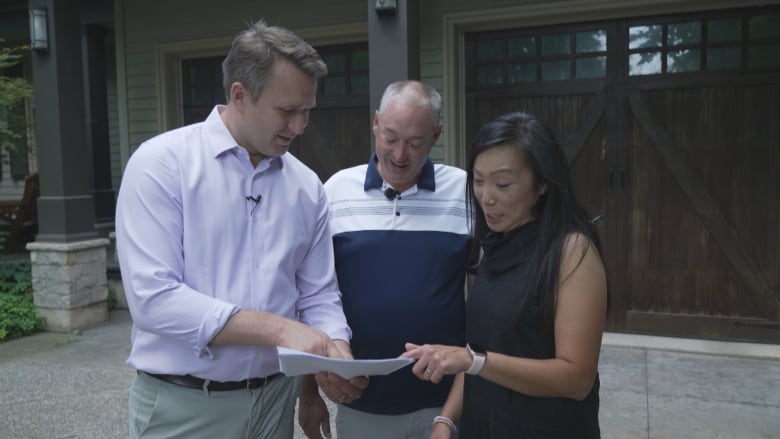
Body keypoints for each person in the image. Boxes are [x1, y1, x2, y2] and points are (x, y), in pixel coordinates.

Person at [115, 20, 366, 439]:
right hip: (185, 407)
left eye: (307, 111)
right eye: (287, 111)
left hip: (274, 402)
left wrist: (335, 352)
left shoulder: (306, 186)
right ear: (239, 95)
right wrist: (283, 329)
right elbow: (153, 299)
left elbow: (319, 293)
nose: (300, 126)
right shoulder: (161, 164)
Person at [402, 111, 608, 438]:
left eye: (503, 184)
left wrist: (474, 362)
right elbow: (476, 351)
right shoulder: (488, 246)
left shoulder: (572, 251)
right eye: (478, 180)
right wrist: (446, 420)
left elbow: (576, 379)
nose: (486, 196)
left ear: (542, 183)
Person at [298, 80, 471, 439]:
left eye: (416, 142)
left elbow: (489, 301)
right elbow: (309, 296)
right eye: (390, 137)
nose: (399, 154)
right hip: (361, 403)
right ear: (375, 124)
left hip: (442, 405)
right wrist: (309, 391)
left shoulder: (465, 194)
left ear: (436, 135)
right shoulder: (334, 193)